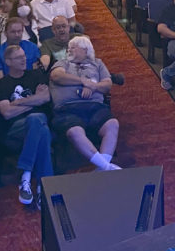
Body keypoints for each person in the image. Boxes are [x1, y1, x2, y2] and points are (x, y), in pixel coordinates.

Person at [0, 45, 53, 207]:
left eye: (24, 56)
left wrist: (18, 103)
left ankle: (26, 175)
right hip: (14, 129)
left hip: (37, 122)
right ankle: (44, 187)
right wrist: (34, 100)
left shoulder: (36, 75)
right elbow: (7, 113)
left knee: (38, 123)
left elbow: (45, 97)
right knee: (38, 122)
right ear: (8, 61)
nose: (24, 59)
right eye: (19, 57)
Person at [49, 36, 121, 170]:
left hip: (95, 107)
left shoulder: (98, 63)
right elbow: (57, 76)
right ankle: (106, 167)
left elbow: (107, 85)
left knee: (112, 124)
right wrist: (83, 81)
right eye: (68, 48)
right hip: (68, 108)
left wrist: (94, 86)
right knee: (75, 131)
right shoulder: (62, 63)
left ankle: (102, 168)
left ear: (85, 50)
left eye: (73, 47)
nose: (69, 50)